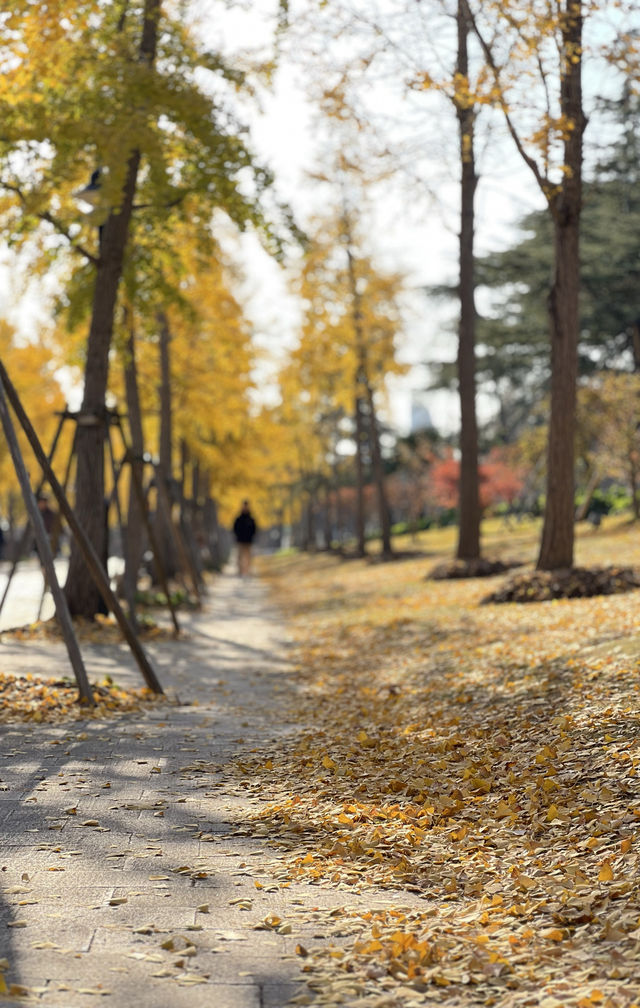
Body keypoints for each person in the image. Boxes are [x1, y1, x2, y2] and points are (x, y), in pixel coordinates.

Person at [232, 500, 257, 577]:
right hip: (240, 541)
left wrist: (251, 536)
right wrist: (238, 536)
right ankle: (240, 571)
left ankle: (247, 571)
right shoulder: (238, 519)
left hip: (248, 541)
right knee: (239, 557)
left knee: (248, 557)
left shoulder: (251, 519)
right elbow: (234, 529)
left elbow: (254, 529)